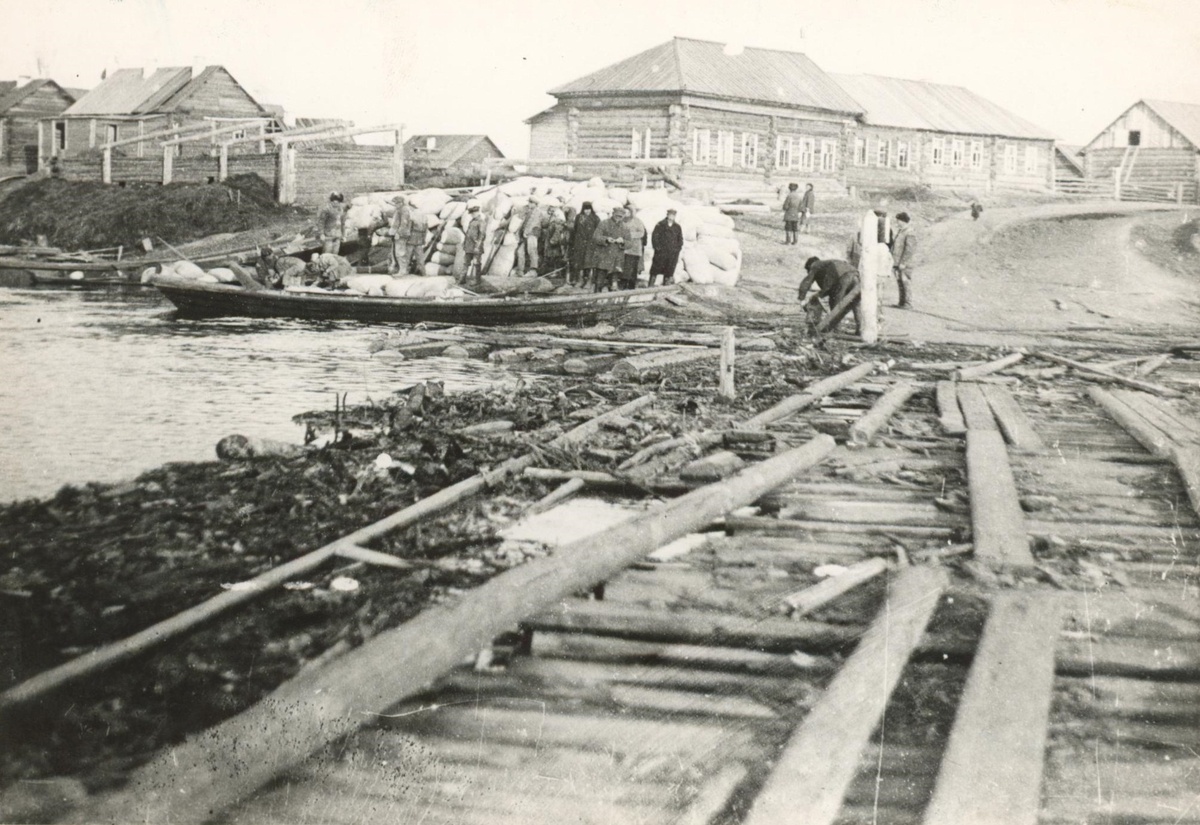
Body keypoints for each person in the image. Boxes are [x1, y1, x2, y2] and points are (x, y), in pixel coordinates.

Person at [802, 256, 862, 335]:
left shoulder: (815, 265)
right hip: (856, 276)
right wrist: (819, 294)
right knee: (856, 303)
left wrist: (802, 298)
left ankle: (836, 329)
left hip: (844, 277)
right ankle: (860, 329)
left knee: (836, 303)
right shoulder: (829, 265)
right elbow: (830, 287)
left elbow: (808, 282)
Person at [591, 207, 627, 293]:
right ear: (613, 214)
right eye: (617, 215)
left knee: (613, 284)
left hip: (616, 259)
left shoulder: (625, 227)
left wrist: (623, 241)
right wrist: (606, 239)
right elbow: (595, 237)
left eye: (620, 216)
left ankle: (611, 299)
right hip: (603, 257)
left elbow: (630, 243)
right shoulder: (604, 223)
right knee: (599, 282)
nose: (618, 218)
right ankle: (596, 298)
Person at [649, 208, 684, 286]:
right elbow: (654, 237)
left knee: (669, 270)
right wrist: (657, 248)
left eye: (673, 215)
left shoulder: (677, 227)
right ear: (667, 215)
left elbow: (680, 239)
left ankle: (666, 286)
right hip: (661, 252)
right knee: (655, 269)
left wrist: (677, 249)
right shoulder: (660, 225)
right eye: (670, 215)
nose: (671, 217)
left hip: (672, 253)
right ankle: (650, 285)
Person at [571, 202, 600, 289]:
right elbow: (575, 229)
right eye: (585, 209)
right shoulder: (578, 217)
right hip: (580, 243)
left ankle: (589, 281)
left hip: (591, 243)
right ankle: (580, 280)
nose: (587, 211)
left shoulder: (595, 218)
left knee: (589, 262)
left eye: (589, 209)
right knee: (579, 262)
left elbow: (599, 231)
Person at [891, 212, 916, 308]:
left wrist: (903, 262)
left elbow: (909, 249)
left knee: (905, 282)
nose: (897, 222)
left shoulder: (910, 232)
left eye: (898, 221)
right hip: (898, 262)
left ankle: (908, 303)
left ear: (903, 221)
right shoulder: (901, 231)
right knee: (900, 281)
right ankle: (901, 302)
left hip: (904, 263)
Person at [387, 196, 414, 275]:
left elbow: (403, 224)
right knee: (398, 252)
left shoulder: (404, 210)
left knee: (400, 252)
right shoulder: (399, 210)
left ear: (401, 203)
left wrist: (398, 233)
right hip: (399, 234)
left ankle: (402, 271)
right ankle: (402, 270)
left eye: (396, 203)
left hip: (401, 235)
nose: (395, 205)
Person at [620, 207, 646, 289]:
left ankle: (631, 285)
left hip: (634, 248)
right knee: (624, 267)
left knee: (633, 268)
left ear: (631, 213)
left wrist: (630, 235)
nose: (626, 214)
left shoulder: (637, 221)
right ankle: (623, 284)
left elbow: (641, 233)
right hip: (624, 248)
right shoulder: (621, 221)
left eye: (628, 212)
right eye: (625, 212)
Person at [541, 209, 570, 278]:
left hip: (554, 245)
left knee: (555, 258)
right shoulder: (554, 222)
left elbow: (557, 233)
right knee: (553, 258)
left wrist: (553, 241)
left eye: (554, 215)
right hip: (551, 244)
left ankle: (556, 273)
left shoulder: (557, 223)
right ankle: (554, 272)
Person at [462, 205, 487, 284]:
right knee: (466, 262)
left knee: (476, 263)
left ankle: (477, 280)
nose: (472, 215)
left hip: (476, 246)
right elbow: (468, 234)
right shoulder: (472, 221)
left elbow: (482, 235)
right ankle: (462, 279)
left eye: (473, 213)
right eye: (471, 213)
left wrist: (477, 246)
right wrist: (465, 243)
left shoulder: (481, 222)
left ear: (477, 212)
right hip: (469, 246)